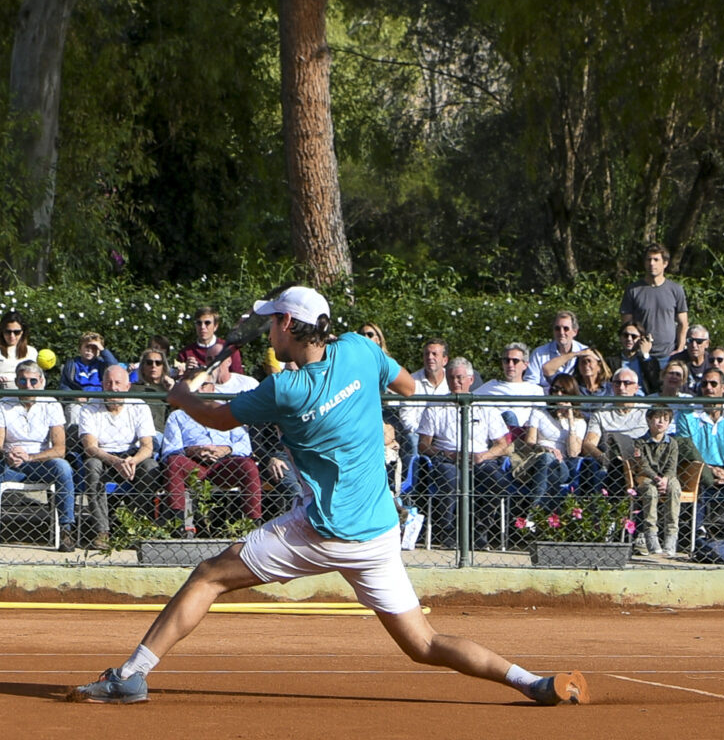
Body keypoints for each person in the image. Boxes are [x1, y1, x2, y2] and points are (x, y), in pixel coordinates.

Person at [72, 285, 587, 707]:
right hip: (378, 533)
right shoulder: (359, 350)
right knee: (425, 644)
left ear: (289, 325)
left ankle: (131, 676)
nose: (268, 331)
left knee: (208, 575)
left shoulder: (286, 389)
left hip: (321, 530)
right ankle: (532, 682)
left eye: (273, 322)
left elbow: (217, 417)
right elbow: (408, 387)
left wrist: (181, 395)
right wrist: (354, 385)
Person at [417, 357, 512, 549]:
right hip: (447, 459)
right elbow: (423, 445)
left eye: (460, 377)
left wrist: (483, 456)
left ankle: (479, 531)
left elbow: (503, 444)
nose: (456, 382)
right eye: (451, 378)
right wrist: (447, 454)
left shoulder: (485, 406)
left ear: (470, 379)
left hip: (480, 459)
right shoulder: (435, 406)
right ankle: (448, 532)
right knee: (449, 476)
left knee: (497, 480)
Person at [78, 365, 160, 550]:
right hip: (103, 457)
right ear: (102, 385)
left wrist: (133, 461)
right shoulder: (89, 408)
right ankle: (102, 531)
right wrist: (115, 462)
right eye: (109, 383)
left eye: (117, 383)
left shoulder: (139, 406)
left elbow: (147, 446)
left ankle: (134, 528)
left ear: (127, 386)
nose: (113, 387)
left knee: (150, 467)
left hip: (131, 456)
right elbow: (90, 447)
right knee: (91, 465)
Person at [160, 380, 262, 527]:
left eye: (203, 384)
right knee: (174, 462)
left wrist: (225, 449)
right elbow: (170, 449)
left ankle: (252, 524)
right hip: (192, 464)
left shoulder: (227, 412)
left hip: (224, 464)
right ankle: (179, 524)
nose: (199, 389)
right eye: (195, 384)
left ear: (213, 388)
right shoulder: (177, 416)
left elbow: (245, 446)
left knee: (248, 466)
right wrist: (194, 451)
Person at [675, 367, 724, 551]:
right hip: (699, 467)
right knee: (696, 475)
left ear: (723, 388)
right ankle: (699, 533)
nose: (708, 388)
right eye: (704, 384)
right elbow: (687, 452)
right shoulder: (687, 416)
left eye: (713, 383)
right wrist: (709, 470)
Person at [0, 361, 76, 552]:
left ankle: (66, 530)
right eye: (23, 380)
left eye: (33, 381)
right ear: (16, 382)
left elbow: (60, 449)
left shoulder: (51, 404)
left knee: (63, 467)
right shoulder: (4, 403)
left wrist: (30, 457)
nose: (28, 385)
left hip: (40, 463)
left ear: (41, 381)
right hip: (10, 464)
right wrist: (8, 454)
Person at [521, 373, 587, 509]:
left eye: (563, 391)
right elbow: (529, 443)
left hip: (562, 464)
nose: (559, 394)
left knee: (550, 466)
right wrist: (546, 449)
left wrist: (570, 420)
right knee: (546, 458)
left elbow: (573, 453)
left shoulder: (579, 422)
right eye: (555, 390)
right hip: (537, 459)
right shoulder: (540, 412)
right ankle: (542, 512)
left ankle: (535, 510)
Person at [620, 242, 689, 366]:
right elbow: (627, 326)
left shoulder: (676, 290)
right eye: (649, 259)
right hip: (639, 354)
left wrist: (680, 349)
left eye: (656, 260)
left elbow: (683, 323)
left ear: (665, 263)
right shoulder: (633, 290)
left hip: (668, 356)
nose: (651, 263)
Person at [581, 369, 648, 494]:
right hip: (612, 462)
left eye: (627, 383)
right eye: (617, 383)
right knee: (607, 471)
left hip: (641, 461)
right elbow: (588, 444)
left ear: (636, 388)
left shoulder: (646, 412)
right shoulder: (601, 414)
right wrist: (605, 458)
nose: (621, 387)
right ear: (612, 386)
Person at [632, 407, 681, 557]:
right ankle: (651, 534)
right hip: (647, 477)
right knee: (650, 491)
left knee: (675, 488)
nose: (661, 422)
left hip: (666, 477)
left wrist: (665, 479)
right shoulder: (640, 443)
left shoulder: (672, 443)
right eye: (657, 418)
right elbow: (642, 465)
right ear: (648, 420)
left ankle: (671, 536)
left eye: (665, 420)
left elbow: (672, 466)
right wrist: (656, 478)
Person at [396, 338, 450, 463]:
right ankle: (414, 474)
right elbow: (406, 418)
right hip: (418, 436)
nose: (430, 357)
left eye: (435, 354)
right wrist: (425, 434)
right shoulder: (411, 382)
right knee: (412, 439)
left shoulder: (453, 380)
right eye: (427, 354)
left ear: (445, 360)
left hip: (446, 437)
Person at [474, 342, 544, 437]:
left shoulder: (535, 390)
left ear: (525, 364)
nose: (510, 365)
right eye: (506, 360)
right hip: (496, 436)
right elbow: (469, 399)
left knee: (510, 416)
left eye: (515, 361)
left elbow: (540, 420)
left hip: (524, 436)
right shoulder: (491, 386)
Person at [59, 331, 120, 429]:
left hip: (100, 400)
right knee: (74, 413)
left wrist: (102, 349)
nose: (90, 350)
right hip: (79, 401)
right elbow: (64, 386)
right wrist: (75, 396)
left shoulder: (102, 364)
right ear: (80, 348)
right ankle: (74, 436)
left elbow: (115, 366)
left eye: (94, 348)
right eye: (87, 346)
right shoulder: (72, 364)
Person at [524, 310, 587, 390]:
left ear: (575, 332)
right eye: (557, 328)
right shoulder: (539, 354)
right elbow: (530, 384)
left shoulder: (585, 351)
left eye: (566, 328)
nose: (561, 332)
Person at [176, 306, 243, 374]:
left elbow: (238, 377)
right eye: (199, 323)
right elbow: (178, 378)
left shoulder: (229, 349)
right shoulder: (185, 353)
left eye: (207, 323)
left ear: (215, 326)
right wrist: (186, 372)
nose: (202, 327)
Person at [543, 347, 613, 413]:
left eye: (589, 361)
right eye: (582, 362)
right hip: (577, 421)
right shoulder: (572, 385)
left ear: (599, 366)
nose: (586, 365)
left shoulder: (611, 388)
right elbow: (547, 369)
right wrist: (576, 354)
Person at [605, 321, 661, 395]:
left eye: (634, 336)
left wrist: (645, 355)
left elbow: (655, 382)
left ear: (641, 339)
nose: (629, 339)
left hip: (644, 399)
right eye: (625, 335)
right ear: (620, 338)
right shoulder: (611, 361)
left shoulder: (649, 360)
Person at [129, 348, 174, 435]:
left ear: (163, 367)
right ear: (143, 367)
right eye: (149, 362)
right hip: (135, 432)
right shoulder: (132, 388)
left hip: (158, 432)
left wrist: (172, 391)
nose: (153, 366)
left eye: (158, 363)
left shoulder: (168, 389)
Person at [0, 311, 37, 389]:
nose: (12, 336)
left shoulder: (31, 352)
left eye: (16, 332)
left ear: (22, 332)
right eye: (8, 332)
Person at [670, 324, 710, 392]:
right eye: (690, 340)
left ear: (707, 344)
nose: (694, 345)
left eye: (699, 341)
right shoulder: (676, 360)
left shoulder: (713, 361)